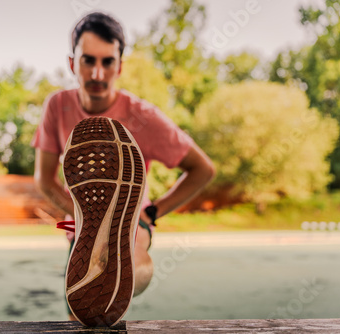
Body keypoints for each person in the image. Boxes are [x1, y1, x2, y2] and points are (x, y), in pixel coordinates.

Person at [32, 12, 215, 325]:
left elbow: (202, 168)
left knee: (127, 254)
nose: (98, 74)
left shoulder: (142, 115)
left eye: (108, 62)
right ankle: (105, 258)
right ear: (72, 63)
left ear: (120, 65)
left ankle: (127, 269)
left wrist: (152, 212)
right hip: (81, 232)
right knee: (83, 316)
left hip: (131, 221)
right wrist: (79, 213)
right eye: (88, 61)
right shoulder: (57, 106)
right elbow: (45, 181)